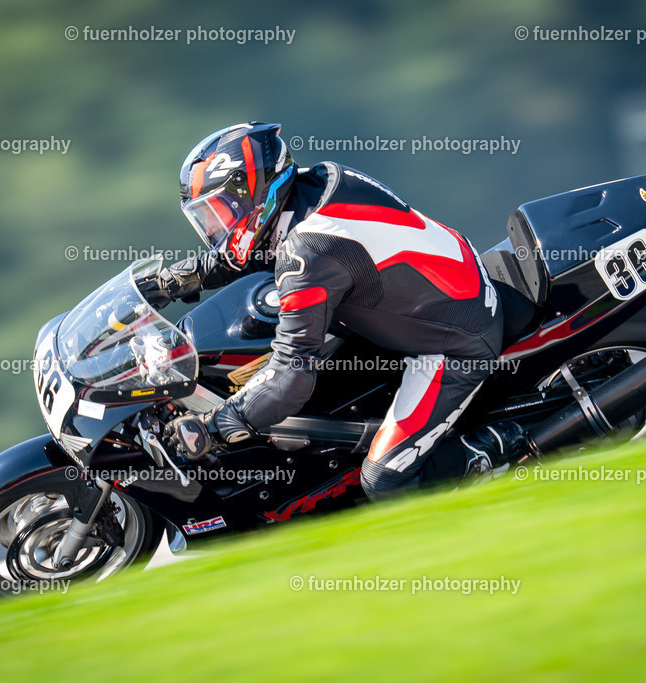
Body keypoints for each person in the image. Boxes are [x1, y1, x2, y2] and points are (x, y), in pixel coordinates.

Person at [153, 122, 525, 499]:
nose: (216, 226)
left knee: (385, 482)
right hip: (447, 284)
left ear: (254, 193)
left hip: (454, 344)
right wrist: (173, 281)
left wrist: (214, 427)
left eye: (221, 211)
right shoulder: (316, 182)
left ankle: (497, 449)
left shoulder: (309, 251)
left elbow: (289, 380)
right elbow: (251, 249)